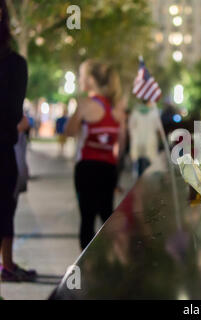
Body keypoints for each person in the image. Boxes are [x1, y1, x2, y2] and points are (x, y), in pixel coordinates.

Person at [65, 60, 126, 250]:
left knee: (87, 219)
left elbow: (68, 131)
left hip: (86, 168)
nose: (79, 79)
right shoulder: (116, 107)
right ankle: (113, 258)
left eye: (81, 76)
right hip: (108, 168)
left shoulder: (84, 105)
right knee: (107, 215)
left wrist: (76, 113)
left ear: (90, 80)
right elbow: (122, 144)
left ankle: (86, 268)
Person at [0, 0, 36, 282]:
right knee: (4, 210)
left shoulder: (14, 64)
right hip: (3, 152)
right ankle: (7, 266)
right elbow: (13, 114)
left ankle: (8, 266)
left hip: (3, 151)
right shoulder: (15, 65)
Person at [128, 102, 161, 177]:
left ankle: (140, 181)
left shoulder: (135, 112)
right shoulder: (154, 113)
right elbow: (158, 128)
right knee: (148, 166)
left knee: (139, 165)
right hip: (150, 143)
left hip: (138, 143)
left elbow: (131, 126)